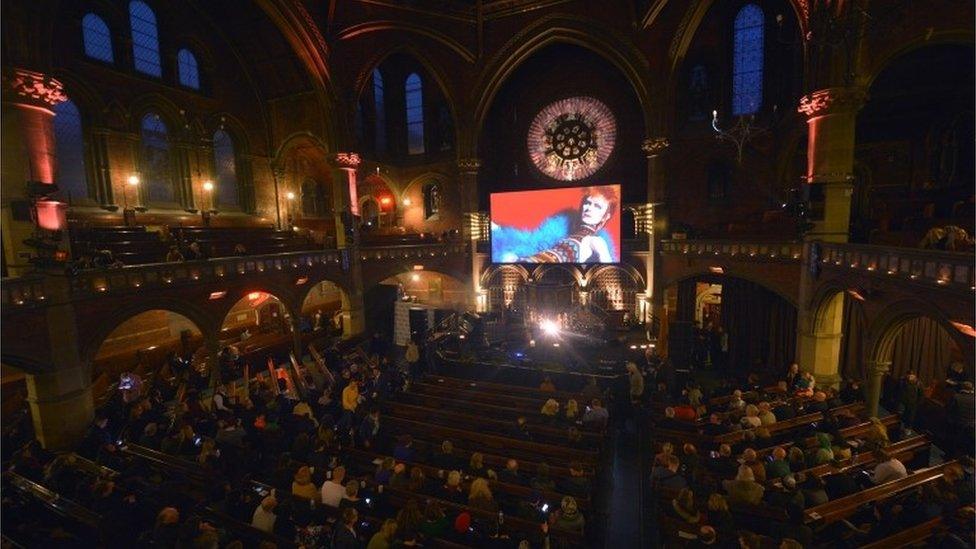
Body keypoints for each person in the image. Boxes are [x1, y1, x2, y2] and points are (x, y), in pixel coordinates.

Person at [491, 185, 620, 263]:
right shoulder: (564, 230)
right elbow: (533, 243)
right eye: (587, 202)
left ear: (606, 215)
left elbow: (608, 267)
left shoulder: (597, 241)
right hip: (528, 263)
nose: (589, 208)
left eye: (597, 206)